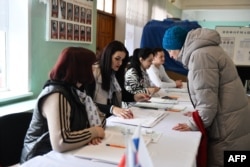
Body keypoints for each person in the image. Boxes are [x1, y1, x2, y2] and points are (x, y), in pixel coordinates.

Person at [162, 26, 250, 167]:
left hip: (227, 129)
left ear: (178, 46)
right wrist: (198, 113)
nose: (171, 56)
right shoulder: (207, 50)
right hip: (233, 121)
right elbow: (209, 94)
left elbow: (207, 103)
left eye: (170, 51)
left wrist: (193, 123)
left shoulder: (200, 56)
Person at [20, 47, 106, 163]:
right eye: (92, 66)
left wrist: (92, 132)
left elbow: (100, 119)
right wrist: (94, 132)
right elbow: (61, 141)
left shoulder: (78, 91)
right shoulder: (56, 94)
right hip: (39, 157)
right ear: (80, 68)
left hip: (65, 154)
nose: (96, 69)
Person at [89, 41, 150, 119]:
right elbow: (88, 103)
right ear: (108, 56)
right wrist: (112, 109)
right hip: (97, 118)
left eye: (122, 60)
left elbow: (121, 93)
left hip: (113, 117)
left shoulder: (116, 72)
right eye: (117, 59)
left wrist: (134, 97)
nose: (120, 63)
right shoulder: (94, 72)